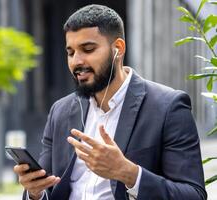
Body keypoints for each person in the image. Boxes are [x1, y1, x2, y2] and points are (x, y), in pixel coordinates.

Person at [14, 4, 207, 200]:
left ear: (118, 49)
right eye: (70, 52)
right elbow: (47, 189)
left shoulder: (168, 107)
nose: (76, 61)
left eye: (88, 49)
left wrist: (128, 173)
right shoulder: (60, 111)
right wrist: (34, 193)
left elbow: (193, 195)